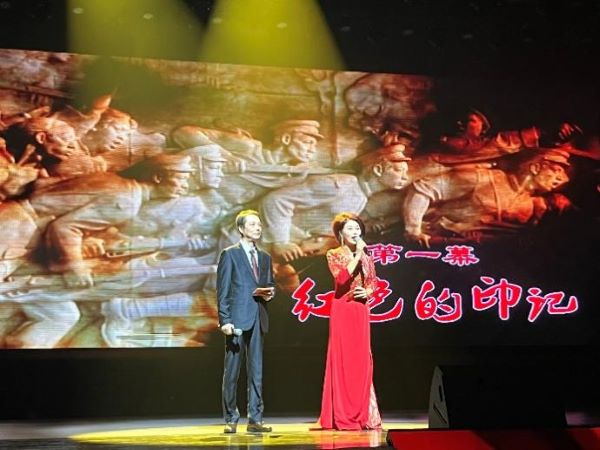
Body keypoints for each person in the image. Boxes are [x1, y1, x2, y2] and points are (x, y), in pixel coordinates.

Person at [317, 212, 382, 430]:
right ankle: (343, 414)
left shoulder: (367, 257)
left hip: (360, 309)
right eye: (350, 229)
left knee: (361, 360)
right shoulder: (334, 254)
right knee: (343, 360)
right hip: (343, 308)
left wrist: (368, 292)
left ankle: (363, 412)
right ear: (341, 233)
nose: (355, 232)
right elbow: (342, 279)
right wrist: (358, 254)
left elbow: (373, 282)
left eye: (357, 228)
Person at [217, 209, 275, 434]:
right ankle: (231, 417)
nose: (257, 228)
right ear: (241, 229)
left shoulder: (265, 257)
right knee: (232, 371)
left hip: (258, 316)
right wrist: (225, 319)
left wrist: (269, 293)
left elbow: (269, 284)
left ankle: (255, 419)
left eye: (259, 224)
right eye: (252, 224)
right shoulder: (230, 254)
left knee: (256, 371)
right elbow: (222, 289)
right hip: (236, 320)